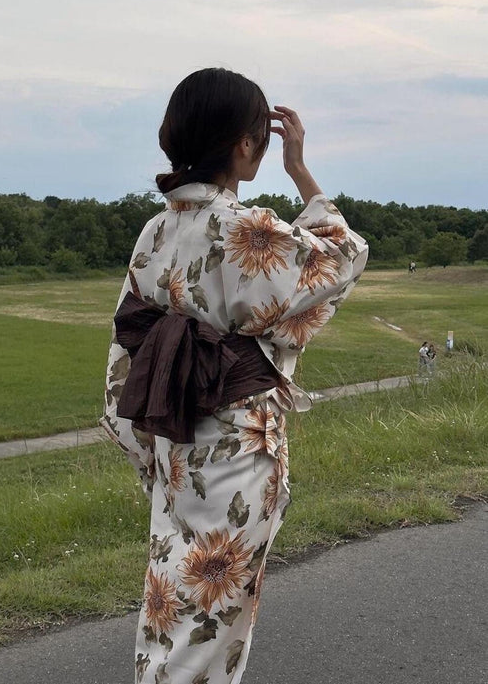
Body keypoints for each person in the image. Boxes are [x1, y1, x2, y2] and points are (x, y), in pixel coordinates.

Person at [100, 68, 368, 684]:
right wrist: (300, 170)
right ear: (246, 145)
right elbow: (343, 256)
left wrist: (142, 442)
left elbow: (130, 342)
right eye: (262, 142)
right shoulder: (244, 229)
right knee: (216, 611)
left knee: (170, 600)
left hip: (171, 436)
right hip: (236, 443)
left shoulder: (155, 231)